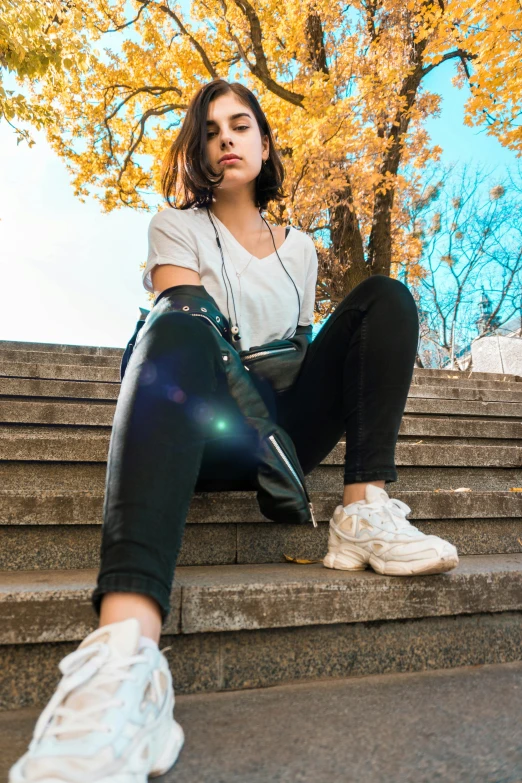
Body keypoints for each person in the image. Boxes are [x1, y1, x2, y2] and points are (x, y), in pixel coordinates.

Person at [9, 78, 459, 782]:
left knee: (386, 298)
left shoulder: (301, 248)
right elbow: (183, 326)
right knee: (181, 316)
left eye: (240, 124)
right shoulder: (175, 226)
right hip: (207, 427)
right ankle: (125, 653)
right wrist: (260, 428)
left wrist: (285, 428)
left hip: (284, 427)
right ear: (199, 149)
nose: (226, 137)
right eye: (211, 128)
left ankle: (364, 508)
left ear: (265, 141)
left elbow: (304, 348)